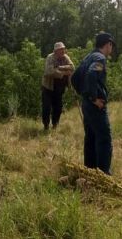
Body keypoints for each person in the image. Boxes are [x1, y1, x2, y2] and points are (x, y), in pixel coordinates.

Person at [79, 32, 115, 174]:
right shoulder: (100, 58)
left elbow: (77, 77)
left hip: (86, 104)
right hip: (95, 105)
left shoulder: (88, 57)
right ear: (108, 44)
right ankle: (103, 175)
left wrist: (86, 96)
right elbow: (91, 74)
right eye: (112, 46)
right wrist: (94, 98)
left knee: (91, 137)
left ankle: (89, 171)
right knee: (104, 138)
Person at [41, 41, 75, 131]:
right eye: (60, 50)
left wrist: (60, 68)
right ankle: (46, 126)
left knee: (58, 108)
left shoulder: (65, 57)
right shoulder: (50, 57)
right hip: (48, 87)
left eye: (63, 49)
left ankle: (55, 125)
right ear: (55, 51)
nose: (63, 51)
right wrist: (63, 73)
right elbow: (49, 72)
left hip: (59, 88)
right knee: (46, 108)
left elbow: (72, 67)